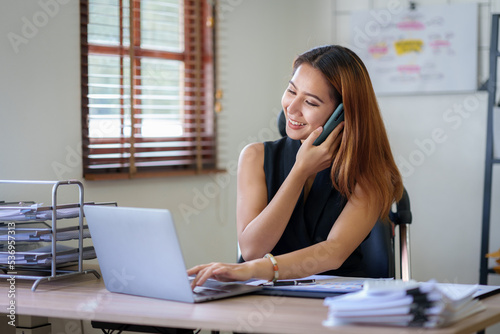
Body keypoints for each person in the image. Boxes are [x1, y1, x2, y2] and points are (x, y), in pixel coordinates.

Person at [188, 45, 403, 287]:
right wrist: (299, 172)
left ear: (342, 115)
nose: (291, 107)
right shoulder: (255, 157)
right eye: (291, 91)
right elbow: (251, 250)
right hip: (263, 295)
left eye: (310, 102)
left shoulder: (369, 174)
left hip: (336, 302)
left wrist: (255, 270)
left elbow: (333, 252)